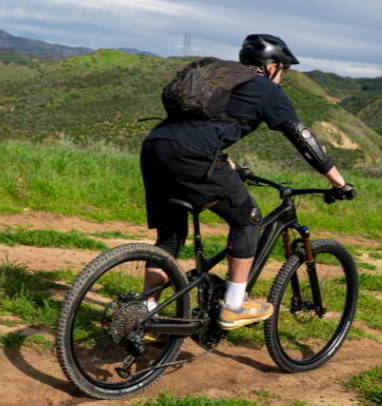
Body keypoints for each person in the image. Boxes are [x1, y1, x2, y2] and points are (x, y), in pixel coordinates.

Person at [140, 34, 356, 330]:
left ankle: (144, 312)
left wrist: (228, 164)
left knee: (171, 236)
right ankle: (234, 305)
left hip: (155, 146)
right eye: (284, 70)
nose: (283, 77)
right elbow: (302, 136)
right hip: (193, 155)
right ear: (272, 67)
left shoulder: (221, 78)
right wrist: (339, 182)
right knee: (247, 218)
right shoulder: (266, 88)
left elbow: (204, 124)